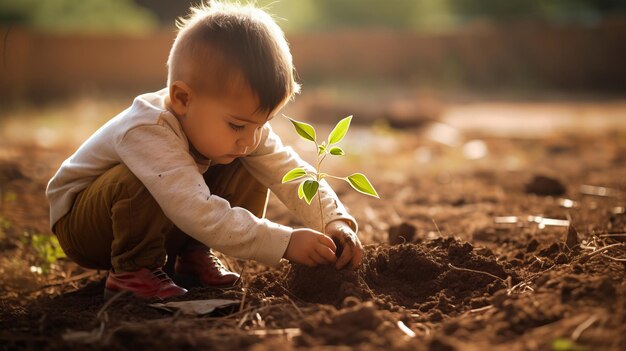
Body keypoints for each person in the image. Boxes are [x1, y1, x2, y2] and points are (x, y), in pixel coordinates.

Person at [46, 0, 362, 300]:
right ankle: (132, 270)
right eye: (238, 126)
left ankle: (193, 256)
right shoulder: (147, 129)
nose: (251, 138)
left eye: (260, 124)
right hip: (88, 228)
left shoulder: (241, 130)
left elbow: (287, 171)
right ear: (183, 98)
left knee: (250, 161)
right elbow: (196, 210)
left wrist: (335, 220)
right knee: (141, 178)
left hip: (168, 217)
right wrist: (286, 242)